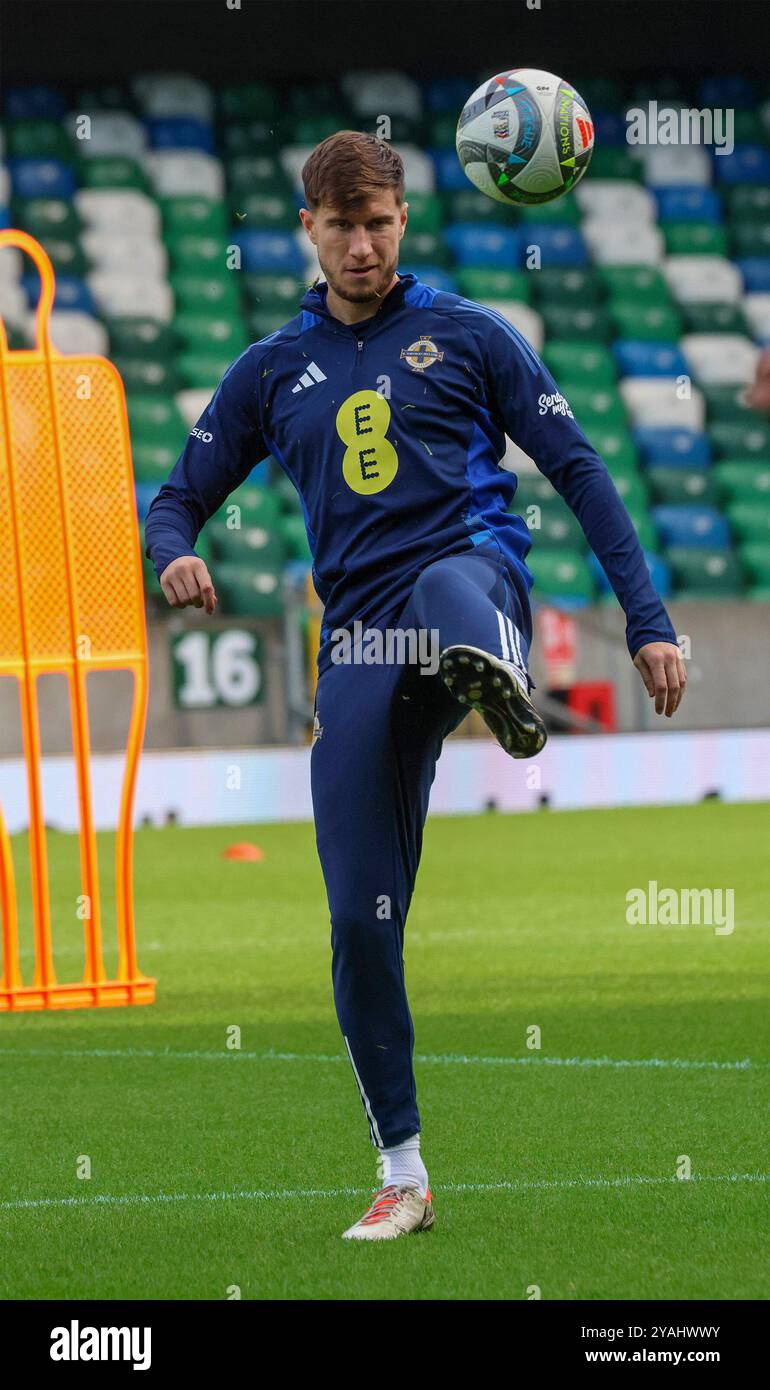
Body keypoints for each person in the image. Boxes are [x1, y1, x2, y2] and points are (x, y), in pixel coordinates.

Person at [145, 131, 686, 1242]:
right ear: (309, 227)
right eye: (340, 226)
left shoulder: (470, 334)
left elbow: (577, 471)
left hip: (468, 577)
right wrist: (172, 553)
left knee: (451, 584)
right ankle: (403, 1174)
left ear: (402, 221)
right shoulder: (265, 371)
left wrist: (646, 619)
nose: (360, 244)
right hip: (361, 651)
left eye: (378, 223)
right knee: (356, 913)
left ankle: (496, 673)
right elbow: (176, 493)